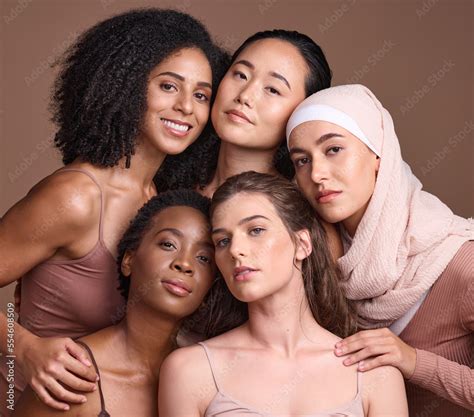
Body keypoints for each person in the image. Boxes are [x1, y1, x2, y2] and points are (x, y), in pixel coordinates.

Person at [0, 8, 227, 413]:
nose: (186, 108)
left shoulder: (164, 201)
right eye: (168, 86)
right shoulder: (76, 196)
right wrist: (26, 348)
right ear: (125, 86)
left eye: (201, 95)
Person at [286, 84, 473, 415]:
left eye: (333, 150)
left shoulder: (461, 263)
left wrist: (412, 361)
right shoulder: (314, 260)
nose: (316, 174)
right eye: (302, 160)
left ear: (378, 154)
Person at [158, 171, 408, 417]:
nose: (236, 250)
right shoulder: (189, 371)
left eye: (255, 230)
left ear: (302, 244)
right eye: (223, 241)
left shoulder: (374, 373)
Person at [12, 189, 217, 417]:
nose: (185, 263)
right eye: (169, 244)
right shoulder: (72, 375)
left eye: (204, 258)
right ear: (128, 260)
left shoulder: (204, 378)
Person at [156, 29, 342, 258]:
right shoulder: (162, 183)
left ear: (301, 112)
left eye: (272, 89)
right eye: (241, 75)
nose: (245, 95)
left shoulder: (305, 225)